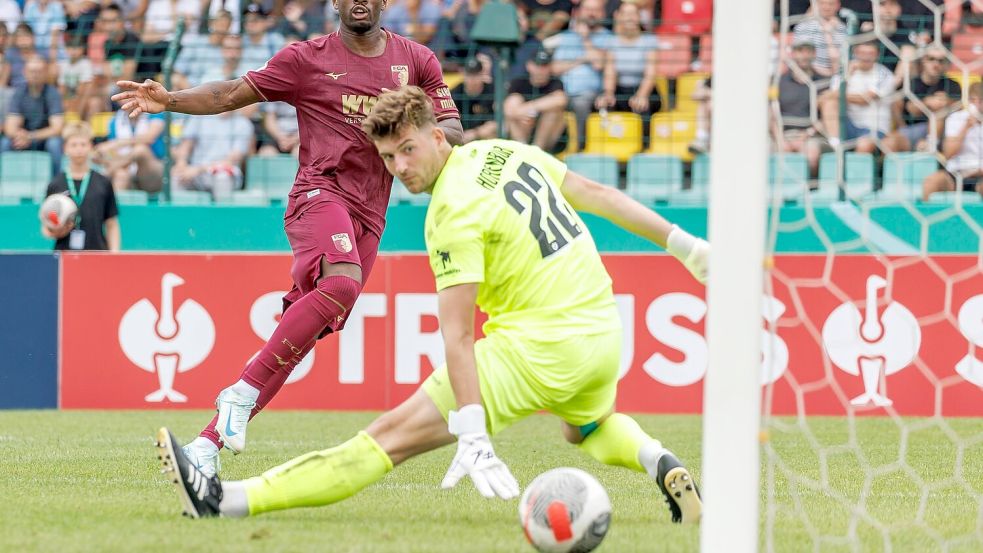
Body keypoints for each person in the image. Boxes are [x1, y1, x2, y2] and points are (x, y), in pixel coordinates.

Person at [156, 85, 708, 524]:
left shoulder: (449, 213)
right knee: (585, 426)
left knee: (387, 440)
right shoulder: (505, 151)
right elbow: (603, 197)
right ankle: (659, 460)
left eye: (408, 150)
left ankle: (222, 499)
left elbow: (459, 337)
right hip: (603, 338)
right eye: (388, 157)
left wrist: (472, 427)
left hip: (537, 352)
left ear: (437, 136)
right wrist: (687, 246)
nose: (399, 167)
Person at [114, 0, 463, 478]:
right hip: (318, 195)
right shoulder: (306, 58)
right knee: (340, 286)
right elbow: (230, 94)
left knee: (301, 337)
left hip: (371, 213)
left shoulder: (417, 61)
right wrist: (171, 99)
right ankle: (239, 392)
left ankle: (207, 445)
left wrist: (415, 132)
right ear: (335, 3)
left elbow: (452, 130)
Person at [42, 122, 121, 251]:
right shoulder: (56, 184)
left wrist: (114, 254)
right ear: (65, 148)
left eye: (83, 144)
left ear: (90, 147)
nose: (79, 149)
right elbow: (46, 227)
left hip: (97, 252)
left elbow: (111, 223)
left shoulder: (103, 182)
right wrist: (55, 231)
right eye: (73, 145)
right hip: (64, 254)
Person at [883, 45, 961, 153]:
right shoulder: (913, 83)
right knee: (889, 143)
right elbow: (911, 110)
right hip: (916, 129)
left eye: (940, 60)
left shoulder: (952, 84)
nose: (936, 64)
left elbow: (961, 108)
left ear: (946, 64)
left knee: (938, 111)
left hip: (946, 133)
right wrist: (927, 102)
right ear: (923, 61)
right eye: (931, 59)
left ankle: (930, 144)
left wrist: (947, 102)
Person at [774, 41, 830, 176]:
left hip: (813, 135)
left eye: (808, 51)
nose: (804, 56)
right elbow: (771, 114)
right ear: (792, 54)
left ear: (814, 54)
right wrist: (780, 138)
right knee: (774, 152)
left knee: (811, 153)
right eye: (800, 51)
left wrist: (807, 134)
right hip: (783, 134)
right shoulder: (778, 81)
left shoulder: (824, 82)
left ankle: (810, 189)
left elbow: (827, 116)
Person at [3, 57, 64, 174]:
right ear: (24, 72)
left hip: (44, 140)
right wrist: (21, 136)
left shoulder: (52, 93)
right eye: (32, 71)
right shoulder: (19, 92)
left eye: (39, 71)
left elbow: (57, 128)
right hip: (22, 139)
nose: (35, 75)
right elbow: (10, 127)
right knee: (5, 143)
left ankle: (56, 182)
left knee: (55, 143)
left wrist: (31, 136)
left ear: (45, 72)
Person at [922, 82, 983, 201]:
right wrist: (966, 127)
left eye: (981, 100)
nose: (977, 105)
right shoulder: (956, 118)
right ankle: (926, 218)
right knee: (931, 182)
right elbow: (948, 154)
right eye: (973, 100)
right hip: (956, 174)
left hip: (980, 176)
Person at [503, 48, 567, 152]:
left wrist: (527, 108)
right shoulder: (518, 82)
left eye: (544, 66)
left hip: (549, 136)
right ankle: (522, 149)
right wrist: (522, 113)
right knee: (515, 103)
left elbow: (561, 100)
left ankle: (537, 151)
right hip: (522, 130)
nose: (541, 70)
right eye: (538, 65)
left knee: (554, 112)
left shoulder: (555, 82)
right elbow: (507, 108)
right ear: (529, 66)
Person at [95, 108, 166, 192]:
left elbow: (149, 137)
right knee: (121, 174)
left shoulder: (155, 114)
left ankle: (107, 172)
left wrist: (118, 143)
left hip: (153, 171)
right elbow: (113, 152)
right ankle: (115, 204)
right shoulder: (115, 120)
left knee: (141, 150)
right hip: (127, 169)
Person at [791, 0, 845, 77]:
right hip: (808, 76)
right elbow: (801, 59)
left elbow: (839, 64)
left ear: (838, 5)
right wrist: (825, 73)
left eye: (831, 4)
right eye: (822, 3)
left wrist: (828, 34)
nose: (826, 7)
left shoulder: (842, 28)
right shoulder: (804, 26)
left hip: (835, 77)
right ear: (815, 5)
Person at [450, 56, 496, 143]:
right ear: (463, 74)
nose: (472, 79)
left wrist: (475, 133)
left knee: (491, 133)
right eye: (469, 75)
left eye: (476, 75)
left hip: (484, 136)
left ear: (482, 74)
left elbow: (497, 123)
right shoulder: (454, 93)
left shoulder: (492, 90)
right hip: (461, 137)